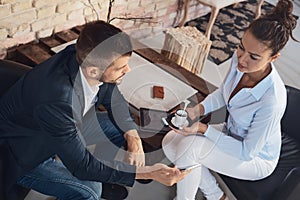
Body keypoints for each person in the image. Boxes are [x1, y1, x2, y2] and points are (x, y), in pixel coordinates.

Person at [0, 20, 189, 200]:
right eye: (121, 67)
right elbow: (82, 166)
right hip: (23, 154)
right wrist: (149, 172)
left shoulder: (83, 58)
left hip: (59, 129)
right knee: (90, 191)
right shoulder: (57, 100)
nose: (128, 70)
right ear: (92, 71)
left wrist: (133, 136)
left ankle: (104, 175)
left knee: (119, 128)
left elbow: (113, 99)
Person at [162, 0, 298, 199]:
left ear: (273, 58)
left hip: (255, 159)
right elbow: (224, 93)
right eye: (241, 47)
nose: (242, 59)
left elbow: (246, 152)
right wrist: (197, 110)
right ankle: (216, 195)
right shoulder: (240, 61)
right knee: (170, 141)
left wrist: (202, 129)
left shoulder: (272, 100)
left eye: (253, 57)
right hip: (231, 133)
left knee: (189, 149)